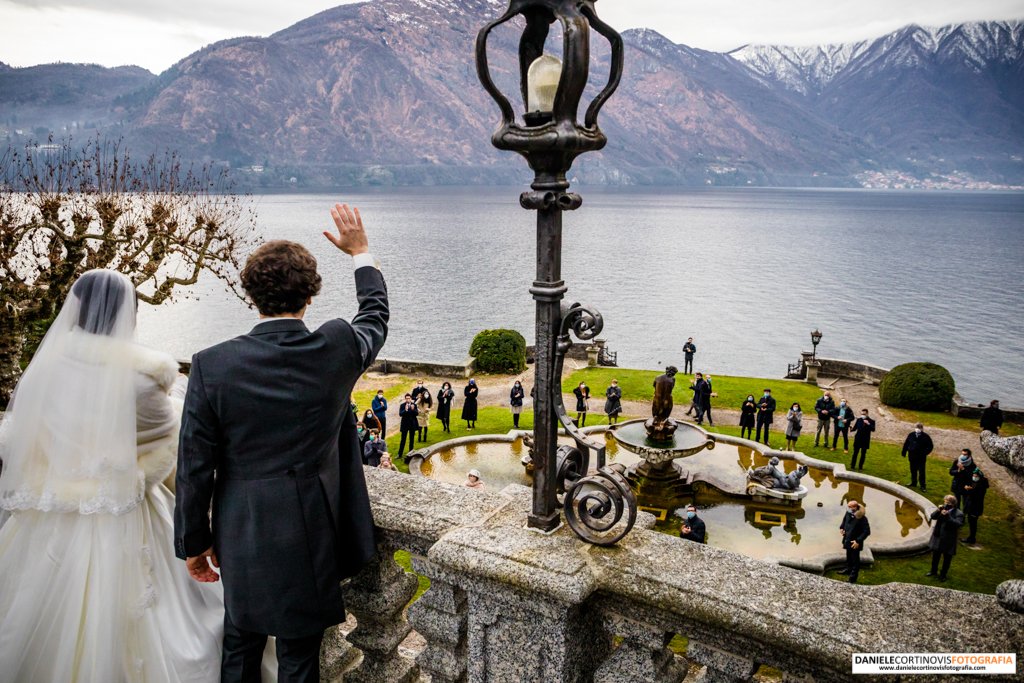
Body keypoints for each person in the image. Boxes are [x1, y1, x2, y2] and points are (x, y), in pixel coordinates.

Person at [0, 270, 265, 682]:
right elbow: (169, 442)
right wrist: (177, 399)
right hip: (126, 512)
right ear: (128, 313)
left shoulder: (46, 368)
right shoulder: (141, 378)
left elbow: (22, 436)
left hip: (52, 510)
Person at [174, 203, 388, 683]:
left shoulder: (212, 364)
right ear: (310, 296)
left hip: (240, 525)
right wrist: (360, 253)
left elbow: (194, 465)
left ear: (252, 296)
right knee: (299, 657)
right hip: (312, 527)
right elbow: (375, 316)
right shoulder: (336, 347)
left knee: (239, 641)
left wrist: (194, 541)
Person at [927, 495, 964, 580]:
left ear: (953, 504)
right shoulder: (942, 509)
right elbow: (933, 516)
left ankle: (943, 575)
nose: (945, 504)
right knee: (935, 556)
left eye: (948, 502)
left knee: (947, 558)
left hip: (948, 539)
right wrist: (938, 510)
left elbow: (957, 524)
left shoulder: (959, 513)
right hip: (938, 536)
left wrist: (948, 516)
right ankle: (933, 571)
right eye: (945, 502)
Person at [839, 499, 870, 583]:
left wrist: (858, 541)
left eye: (850, 507)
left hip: (855, 543)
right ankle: (848, 569)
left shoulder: (862, 518)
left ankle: (853, 578)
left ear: (855, 507)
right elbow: (844, 521)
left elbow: (866, 531)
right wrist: (842, 528)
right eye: (848, 506)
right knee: (848, 556)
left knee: (855, 560)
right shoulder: (848, 513)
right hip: (847, 539)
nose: (848, 508)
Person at [901, 423, 934, 490]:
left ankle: (923, 486)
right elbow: (906, 443)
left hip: (921, 458)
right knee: (913, 470)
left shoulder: (926, 436)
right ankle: (914, 482)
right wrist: (904, 452)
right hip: (912, 456)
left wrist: (925, 453)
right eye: (917, 427)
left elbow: (930, 446)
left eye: (919, 428)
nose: (918, 429)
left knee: (921, 472)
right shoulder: (911, 435)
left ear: (922, 429)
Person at [961, 467, 989, 545]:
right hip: (971, 506)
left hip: (975, 508)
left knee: (973, 523)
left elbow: (976, 496)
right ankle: (971, 537)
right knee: (971, 522)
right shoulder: (975, 483)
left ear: (979, 477)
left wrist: (969, 490)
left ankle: (971, 538)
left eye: (975, 476)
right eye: (973, 475)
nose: (974, 477)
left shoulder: (981, 486)